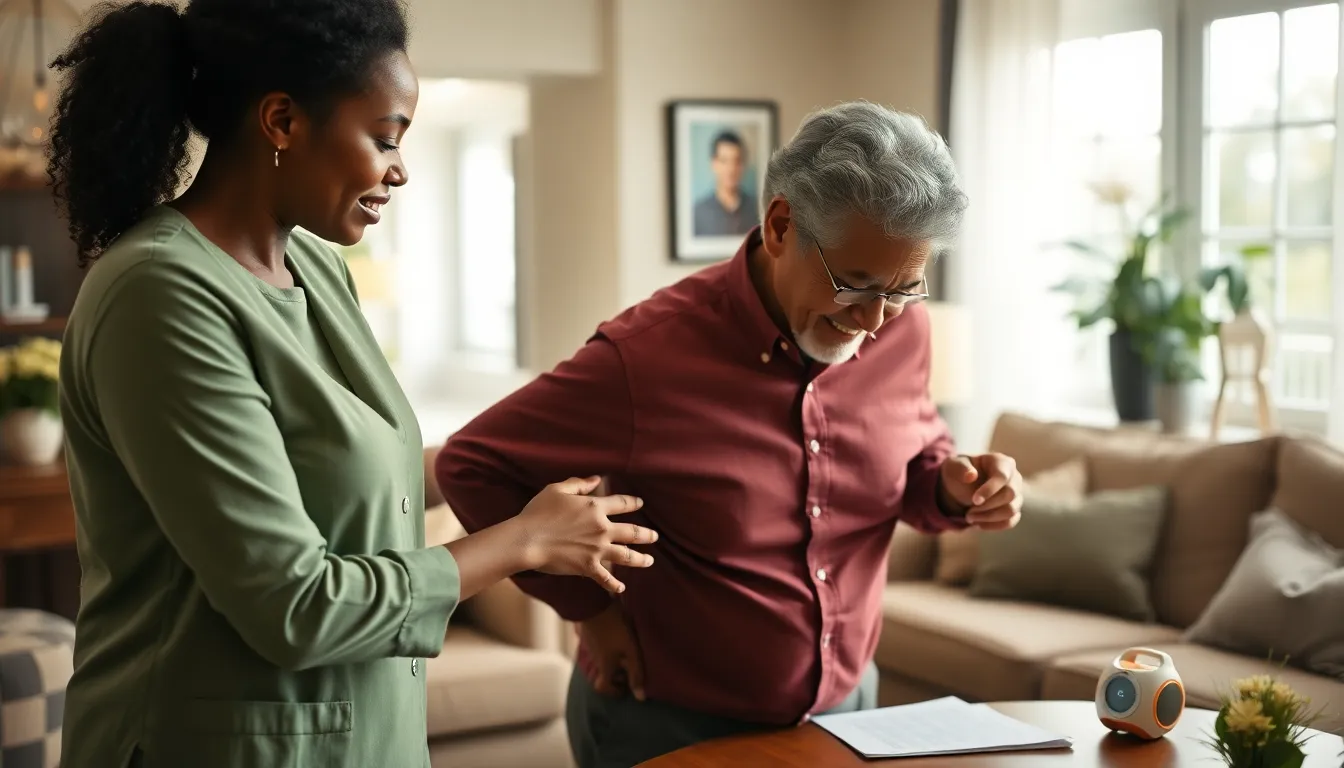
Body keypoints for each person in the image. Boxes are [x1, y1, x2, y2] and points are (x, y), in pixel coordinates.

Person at [47, 2, 656, 767]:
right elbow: (294, 605)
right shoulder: (158, 294)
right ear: (281, 121)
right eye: (385, 138)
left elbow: (350, 471)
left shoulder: (319, 270)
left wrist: (519, 472)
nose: (400, 170)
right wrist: (523, 540)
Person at [435, 101, 1026, 768]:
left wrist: (951, 487)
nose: (874, 321)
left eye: (904, 290)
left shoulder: (903, 331)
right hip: (669, 725)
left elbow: (910, 456)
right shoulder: (646, 356)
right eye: (855, 285)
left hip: (849, 714)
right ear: (780, 226)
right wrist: (586, 609)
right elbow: (472, 463)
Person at [692, 129, 756, 236]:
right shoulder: (698, 213)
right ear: (714, 164)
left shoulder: (757, 209)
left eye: (736, 161)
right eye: (724, 161)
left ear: (743, 165)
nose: (731, 169)